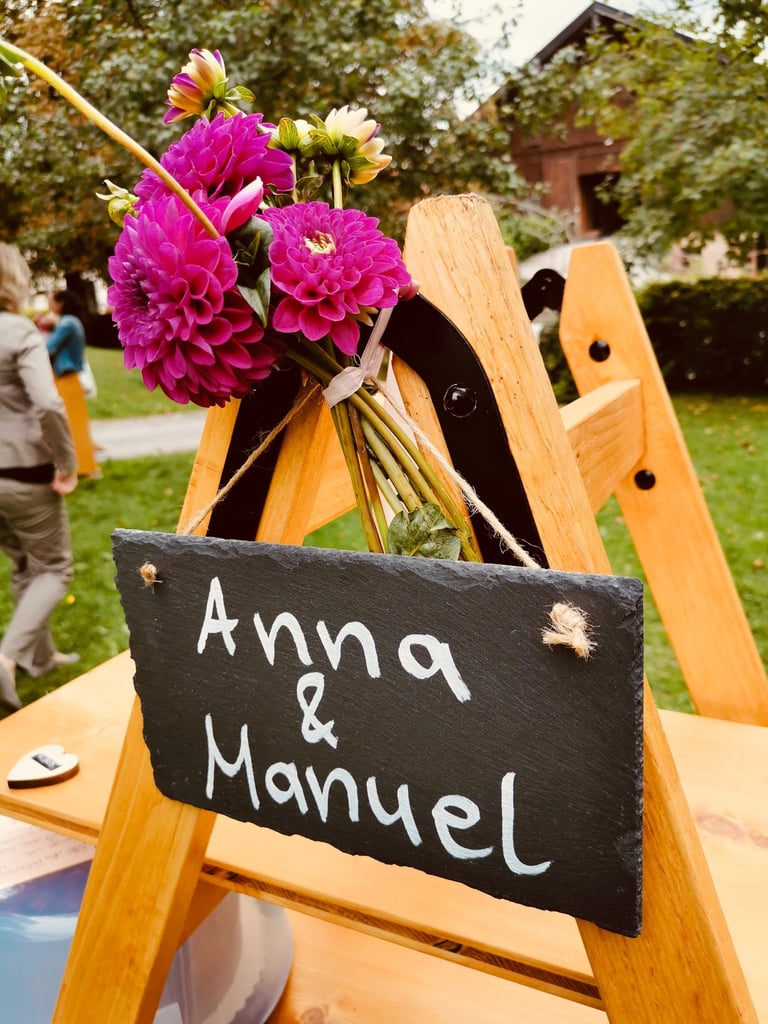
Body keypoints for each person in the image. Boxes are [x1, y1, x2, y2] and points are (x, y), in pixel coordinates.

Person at [0, 244, 80, 713]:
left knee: (24, 566)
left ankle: (40, 658)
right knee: (54, 569)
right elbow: (49, 404)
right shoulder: (18, 331)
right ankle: (8, 657)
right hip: (25, 471)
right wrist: (67, 463)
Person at [45, 288, 86, 379]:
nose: (50, 306)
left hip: (68, 373)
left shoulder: (67, 322)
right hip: (72, 372)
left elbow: (48, 348)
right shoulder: (72, 320)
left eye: (52, 303)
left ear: (60, 304)